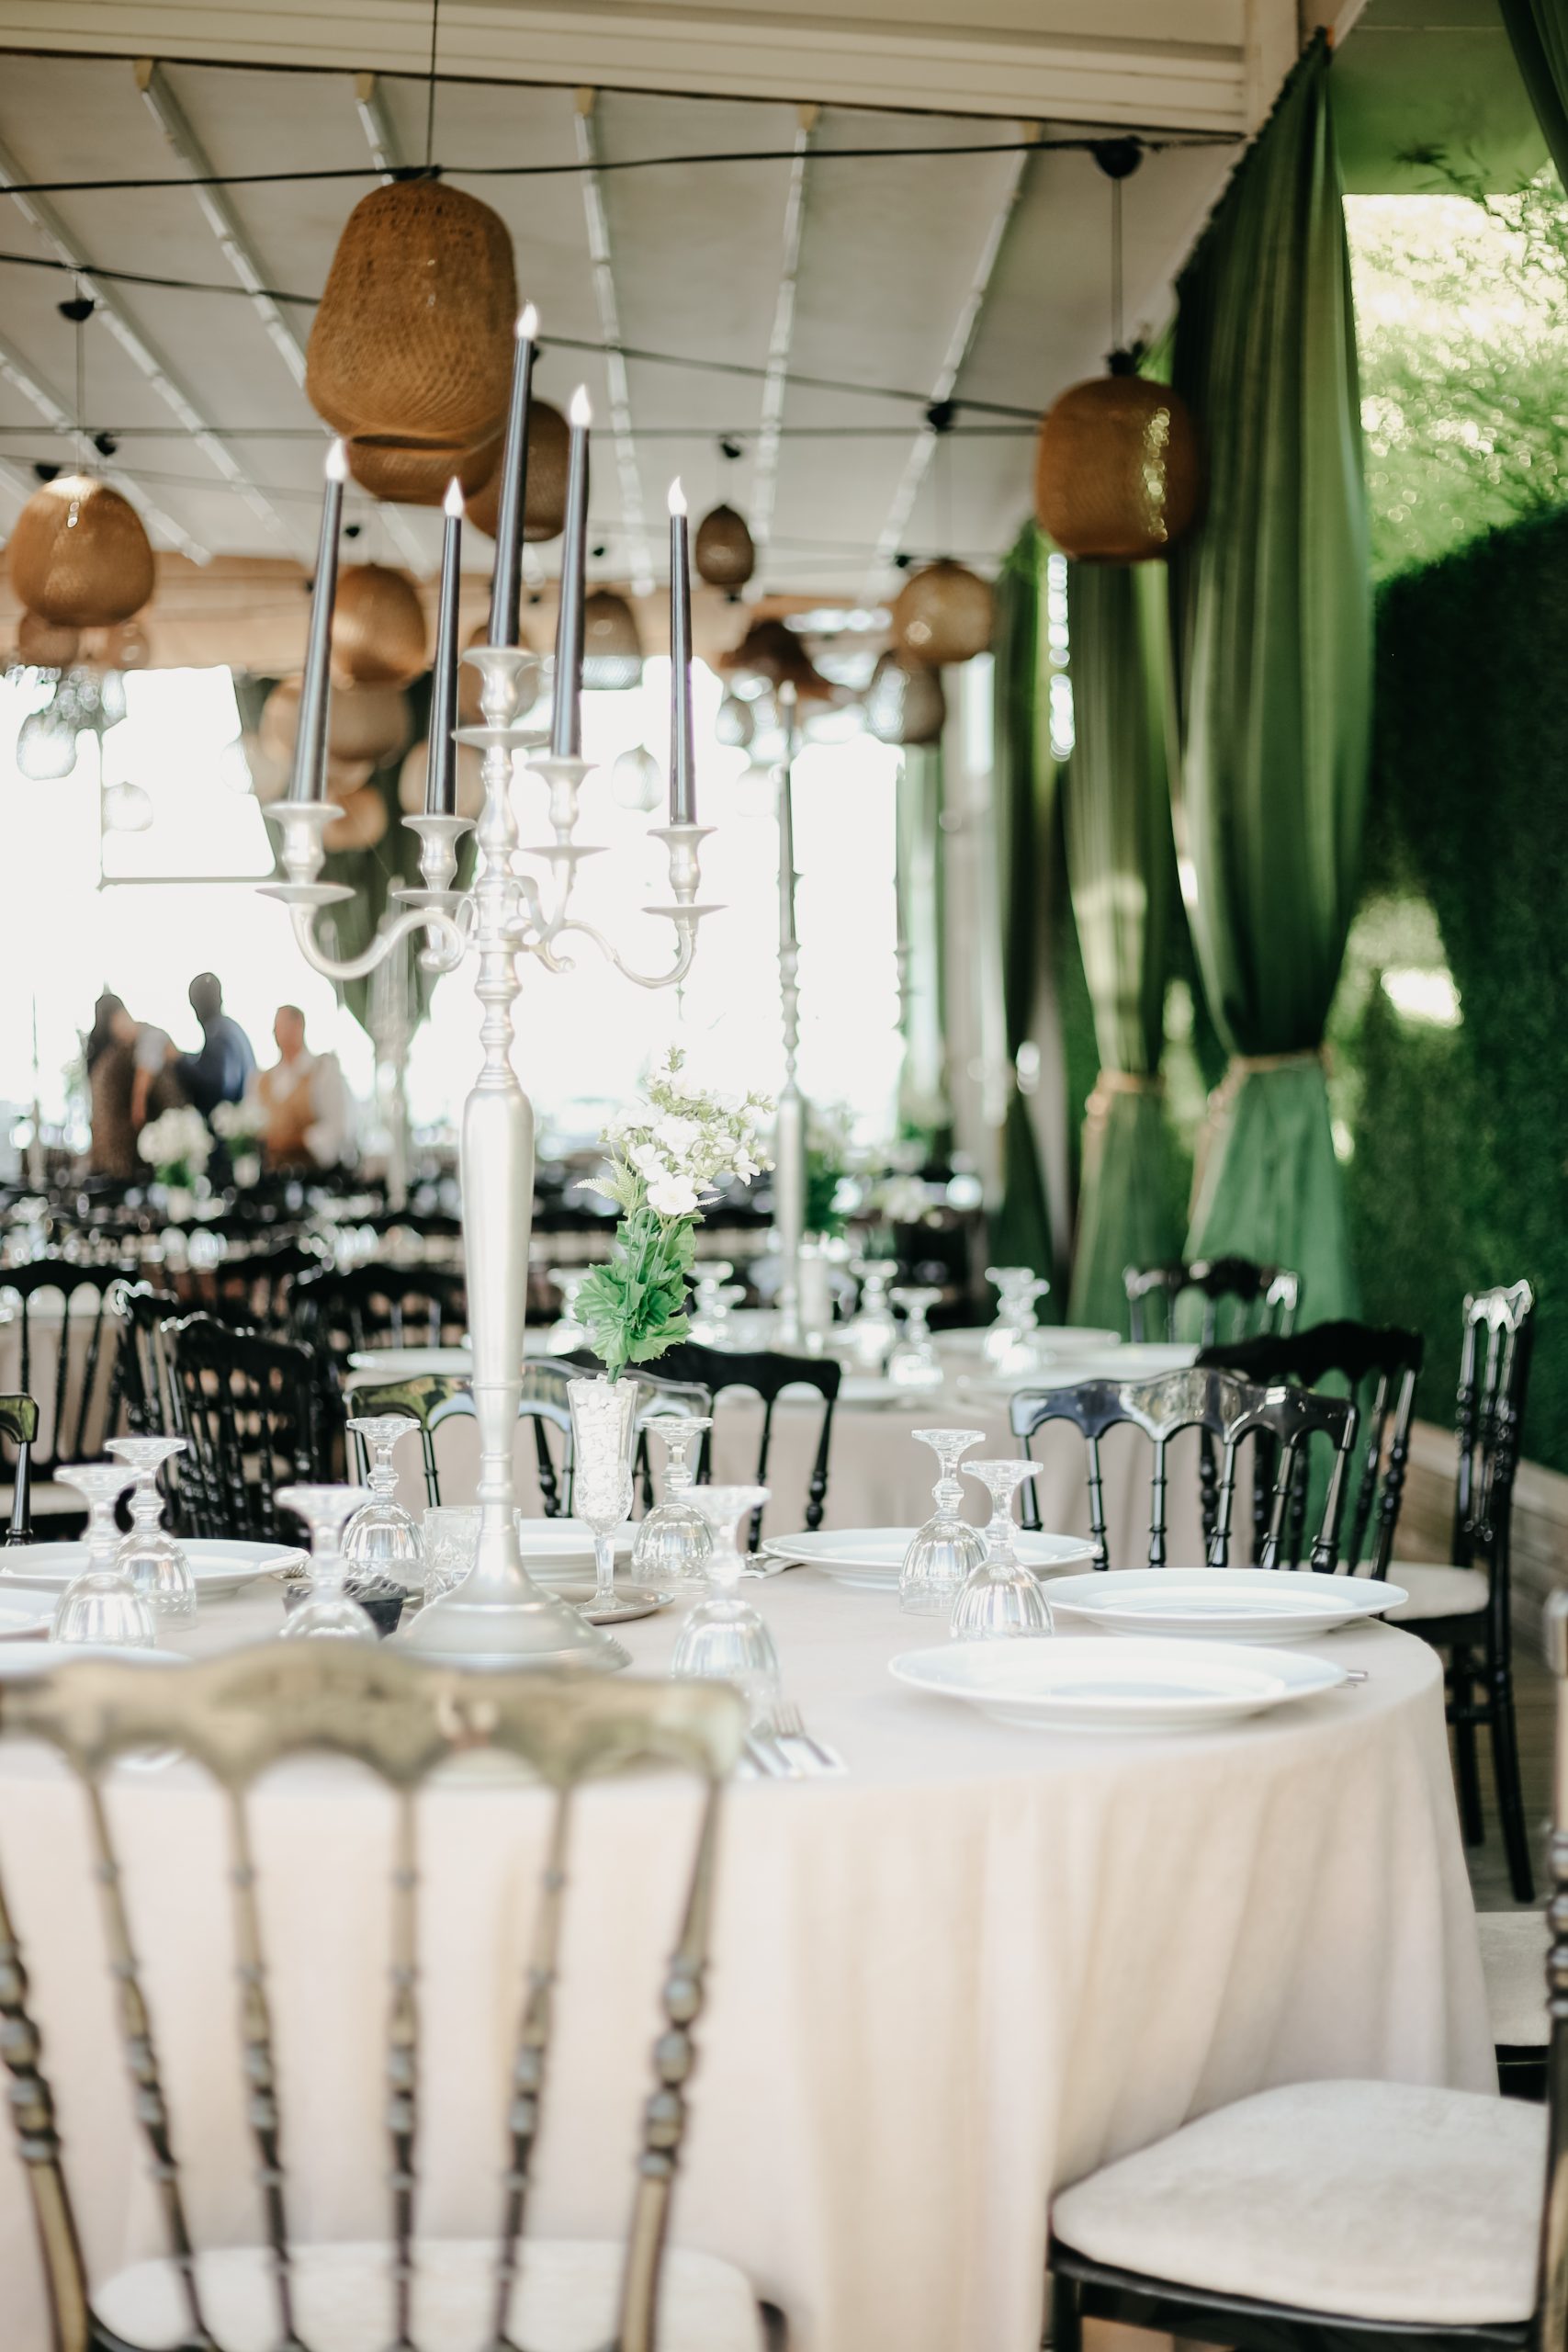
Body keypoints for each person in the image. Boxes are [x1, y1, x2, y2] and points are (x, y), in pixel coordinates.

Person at [85, 992, 185, 1180]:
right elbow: (139, 1110)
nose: (121, 1031)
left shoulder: (144, 1040)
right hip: (121, 1163)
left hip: (105, 1162)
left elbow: (147, 1065)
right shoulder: (123, 1054)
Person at [249, 1003, 353, 1172]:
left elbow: (337, 1129)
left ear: (299, 1026)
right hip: (272, 1175)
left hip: (314, 1175)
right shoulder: (262, 1079)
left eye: (282, 1025)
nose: (276, 1032)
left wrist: (297, 1142)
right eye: (276, 1027)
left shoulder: (322, 1071)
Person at [174, 974, 255, 1123]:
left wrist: (180, 1061)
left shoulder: (218, 1032)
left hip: (231, 1127)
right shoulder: (231, 1028)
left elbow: (218, 1083)